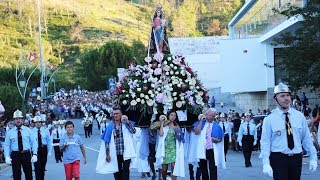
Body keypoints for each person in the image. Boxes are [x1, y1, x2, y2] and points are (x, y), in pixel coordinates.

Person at [260, 83, 318, 179]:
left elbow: (306, 139)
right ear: (275, 100)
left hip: (296, 158)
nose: (286, 98)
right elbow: (265, 142)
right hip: (278, 159)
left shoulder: (299, 116)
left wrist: (313, 158)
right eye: (282, 96)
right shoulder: (269, 119)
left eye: (287, 95)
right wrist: (265, 163)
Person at [100, 107, 136, 180]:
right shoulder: (110, 126)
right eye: (114, 114)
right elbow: (107, 141)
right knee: (116, 171)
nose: (115, 115)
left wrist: (127, 122)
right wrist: (107, 154)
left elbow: (133, 131)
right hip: (115, 153)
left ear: (121, 114)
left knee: (126, 170)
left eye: (117, 113)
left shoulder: (126, 124)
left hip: (125, 152)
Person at [4, 109, 38, 180]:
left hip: (26, 154)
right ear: (14, 120)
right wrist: (7, 156)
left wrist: (34, 154)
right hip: (15, 154)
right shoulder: (10, 132)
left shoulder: (28, 130)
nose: (18, 120)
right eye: (16, 119)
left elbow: (33, 142)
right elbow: (7, 145)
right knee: (16, 175)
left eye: (19, 118)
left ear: (22, 119)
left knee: (29, 174)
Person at [193, 108, 225, 180]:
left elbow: (221, 138)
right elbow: (196, 132)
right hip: (202, 149)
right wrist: (201, 121)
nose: (211, 117)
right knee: (203, 169)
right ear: (206, 114)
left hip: (212, 150)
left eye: (213, 116)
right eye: (210, 115)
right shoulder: (201, 123)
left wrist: (217, 140)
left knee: (213, 169)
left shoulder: (217, 126)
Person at [156, 110, 185, 180]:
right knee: (164, 169)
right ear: (168, 115)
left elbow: (180, 139)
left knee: (174, 166)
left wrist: (178, 132)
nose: (173, 117)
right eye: (171, 115)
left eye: (174, 115)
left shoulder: (176, 125)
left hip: (174, 148)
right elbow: (161, 134)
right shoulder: (164, 125)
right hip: (165, 148)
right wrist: (162, 124)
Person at [32, 115, 52, 180]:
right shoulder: (31, 131)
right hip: (35, 150)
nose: (37, 124)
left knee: (42, 166)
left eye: (39, 122)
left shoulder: (45, 130)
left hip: (43, 149)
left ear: (41, 123)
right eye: (36, 122)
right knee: (37, 166)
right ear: (34, 123)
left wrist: (49, 151)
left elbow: (49, 141)